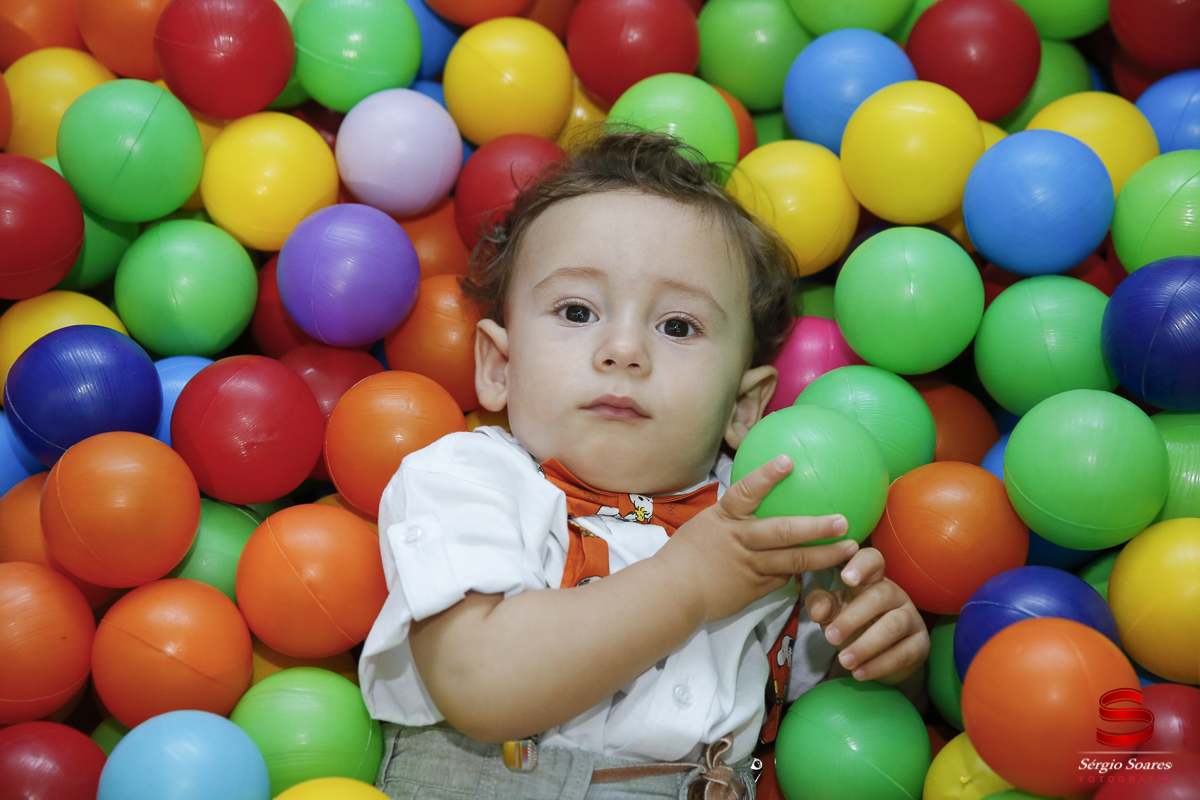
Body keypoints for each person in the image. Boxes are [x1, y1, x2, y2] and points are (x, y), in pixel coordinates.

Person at [359, 130, 930, 800]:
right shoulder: (469, 479)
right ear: (499, 368)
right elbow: (480, 685)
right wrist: (690, 582)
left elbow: (829, 733)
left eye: (678, 326)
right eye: (577, 311)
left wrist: (883, 660)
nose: (624, 348)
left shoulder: (769, 533)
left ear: (742, 409)